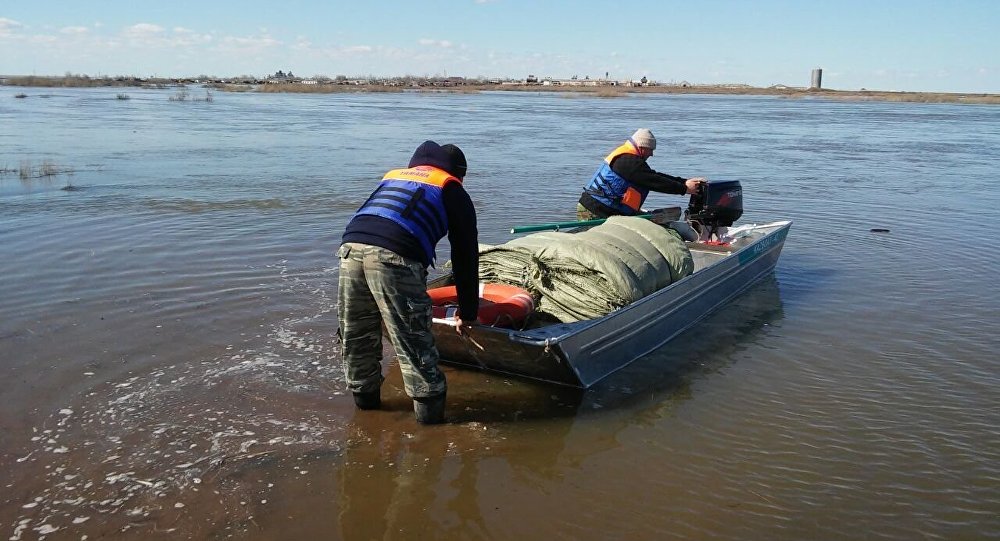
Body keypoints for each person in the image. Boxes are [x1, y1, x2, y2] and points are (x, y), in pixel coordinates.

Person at [337, 140, 479, 425]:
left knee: (357, 337)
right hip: (394, 256)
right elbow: (465, 256)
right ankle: (431, 433)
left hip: (350, 249)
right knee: (415, 344)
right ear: (458, 172)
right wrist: (468, 312)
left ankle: (366, 420)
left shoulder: (394, 177)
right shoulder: (451, 188)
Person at [577, 128, 706, 221]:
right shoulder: (627, 161)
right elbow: (654, 181)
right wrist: (684, 189)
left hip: (605, 209)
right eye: (650, 150)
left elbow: (653, 175)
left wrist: (684, 182)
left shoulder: (631, 159)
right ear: (642, 147)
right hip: (595, 210)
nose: (652, 154)